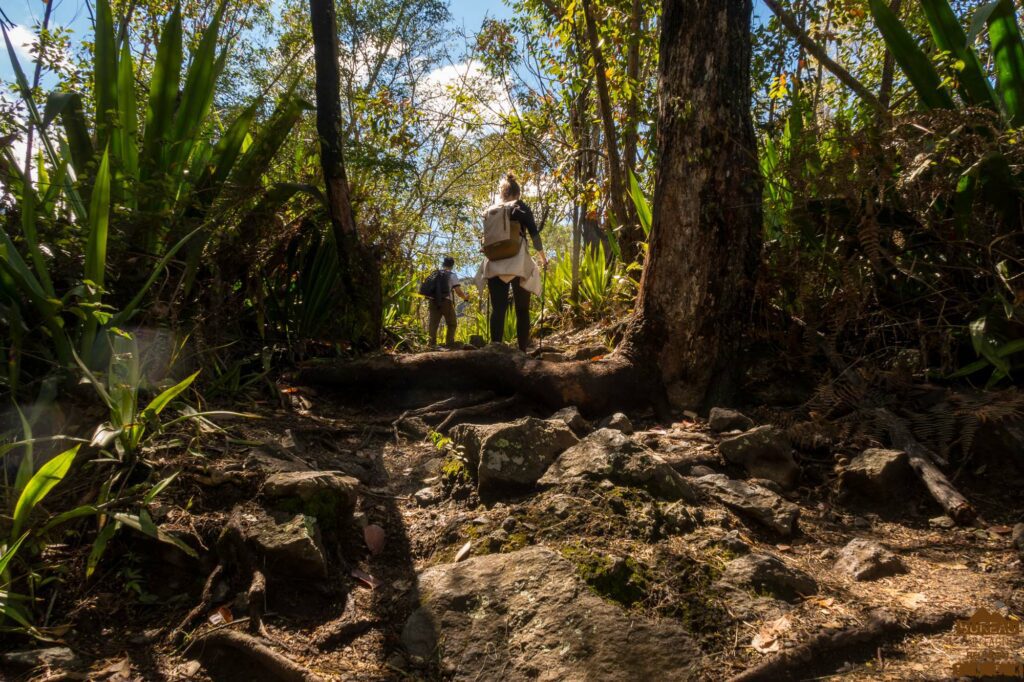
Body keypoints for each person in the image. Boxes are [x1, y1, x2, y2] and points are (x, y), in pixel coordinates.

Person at [481, 173, 547, 351]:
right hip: (517, 262)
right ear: (517, 194)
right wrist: (543, 258)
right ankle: (522, 351)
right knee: (522, 309)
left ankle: (495, 348)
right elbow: (534, 233)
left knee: (498, 309)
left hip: (493, 263)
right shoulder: (520, 206)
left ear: (503, 194)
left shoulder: (490, 210)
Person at [428, 256, 468, 348]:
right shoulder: (452, 275)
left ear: (443, 263)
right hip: (446, 301)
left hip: (433, 300)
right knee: (452, 323)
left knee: (433, 324)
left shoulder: (435, 274)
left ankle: (431, 344)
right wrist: (465, 297)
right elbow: (458, 291)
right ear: (452, 265)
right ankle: (449, 344)